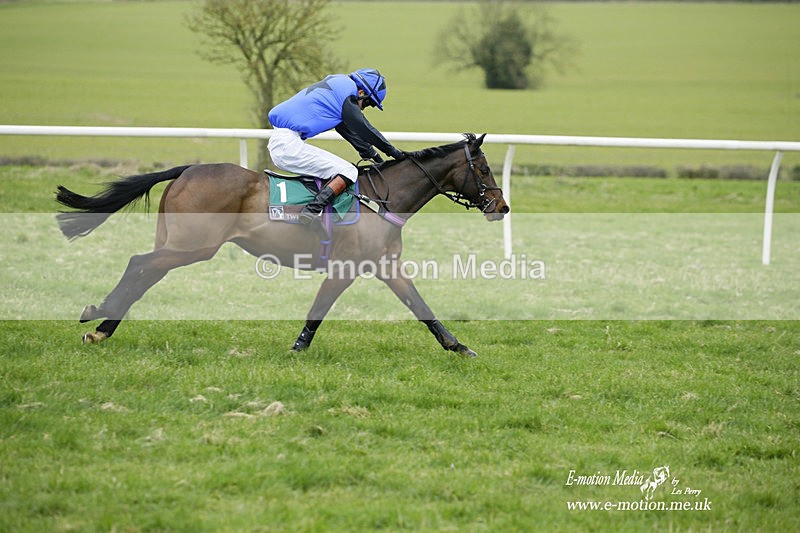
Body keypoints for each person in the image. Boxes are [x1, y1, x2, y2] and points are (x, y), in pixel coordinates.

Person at [267, 68, 405, 239]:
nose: (364, 108)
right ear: (361, 92)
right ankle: (311, 212)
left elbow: (348, 131)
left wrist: (375, 156)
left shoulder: (339, 85)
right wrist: (394, 152)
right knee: (349, 171)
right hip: (288, 146)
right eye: (368, 103)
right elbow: (364, 127)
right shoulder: (347, 94)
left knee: (340, 169)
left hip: (284, 142)